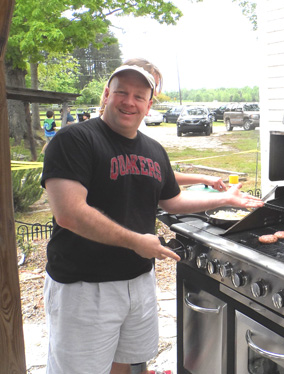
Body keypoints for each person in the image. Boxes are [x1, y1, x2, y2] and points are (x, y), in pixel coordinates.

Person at [41, 62, 263, 374]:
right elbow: (69, 213)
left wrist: (226, 198)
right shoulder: (75, 140)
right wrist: (136, 241)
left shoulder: (153, 150)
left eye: (139, 96)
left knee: (127, 365)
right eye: (121, 92)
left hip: (138, 281)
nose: (129, 101)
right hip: (84, 287)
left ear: (149, 105)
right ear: (106, 95)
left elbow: (172, 200)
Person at [100, 58, 228, 192]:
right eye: (151, 84)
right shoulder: (93, 132)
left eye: (153, 86)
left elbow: (158, 174)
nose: (154, 93)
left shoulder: (140, 129)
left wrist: (203, 178)